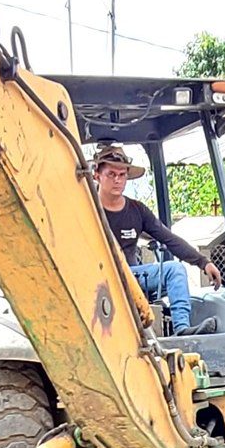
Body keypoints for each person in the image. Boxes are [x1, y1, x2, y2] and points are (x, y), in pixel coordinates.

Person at [90, 143, 218, 335]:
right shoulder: (87, 208)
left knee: (174, 269)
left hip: (131, 276)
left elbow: (168, 238)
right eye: (111, 174)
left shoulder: (137, 210)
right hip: (95, 276)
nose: (117, 180)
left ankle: (182, 329)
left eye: (122, 175)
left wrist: (203, 262)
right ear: (97, 175)